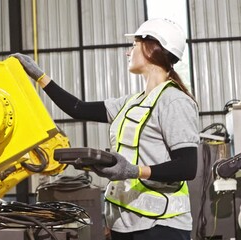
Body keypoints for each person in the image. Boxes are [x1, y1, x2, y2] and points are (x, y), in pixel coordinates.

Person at [12, 18, 199, 240]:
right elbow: (77, 109)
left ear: (151, 48)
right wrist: (40, 77)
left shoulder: (174, 101)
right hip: (124, 223)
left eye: (134, 46)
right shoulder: (130, 103)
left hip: (161, 226)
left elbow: (187, 167)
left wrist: (133, 171)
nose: (128, 53)